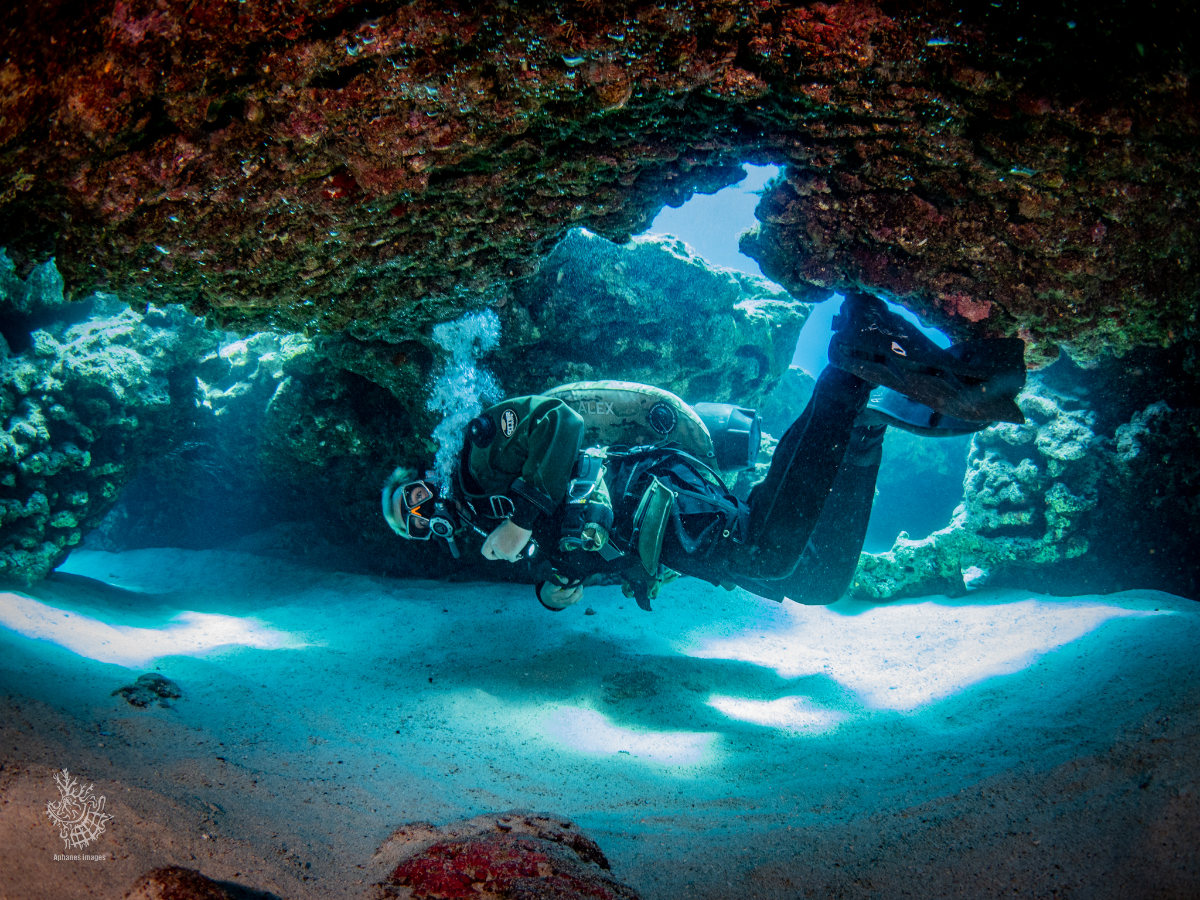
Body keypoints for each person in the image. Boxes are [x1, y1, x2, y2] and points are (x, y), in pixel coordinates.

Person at [383, 292, 1026, 611]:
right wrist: (562, 575)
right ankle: (859, 433)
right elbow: (574, 534)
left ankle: (851, 369)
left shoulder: (473, 460)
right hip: (646, 533)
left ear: (424, 479)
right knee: (818, 582)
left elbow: (563, 420)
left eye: (411, 499)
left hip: (646, 489)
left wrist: (521, 519)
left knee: (766, 553)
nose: (423, 514)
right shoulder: (487, 522)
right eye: (410, 524)